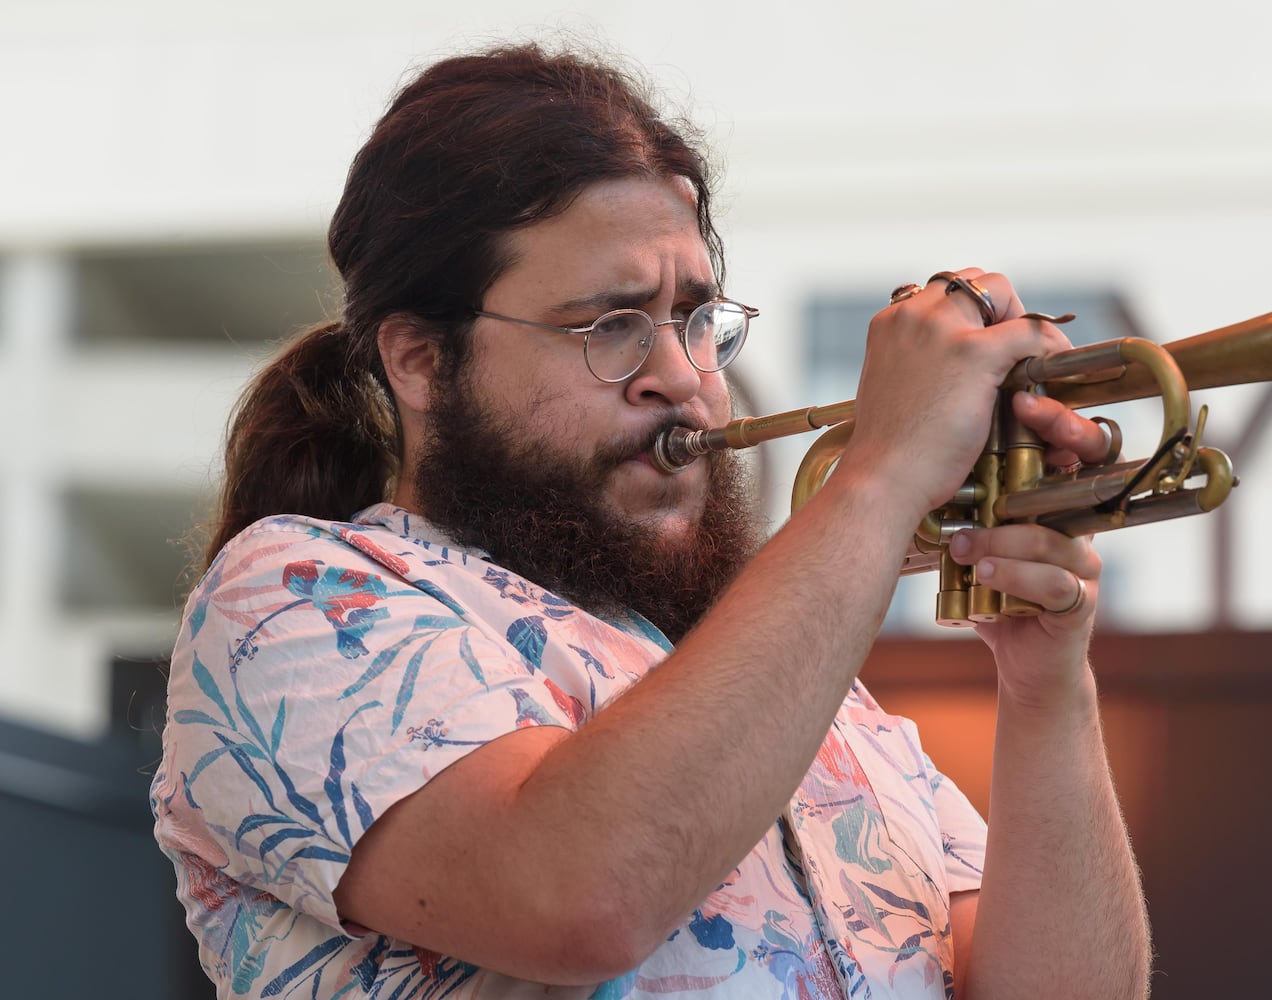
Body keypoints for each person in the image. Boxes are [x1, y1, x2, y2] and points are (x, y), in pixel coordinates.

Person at [150, 39, 1151, 1000]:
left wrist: (1044, 684)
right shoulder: (292, 602)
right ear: (416, 358)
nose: (681, 378)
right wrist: (882, 477)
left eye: (695, 319)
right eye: (610, 325)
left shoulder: (815, 699)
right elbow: (579, 899)